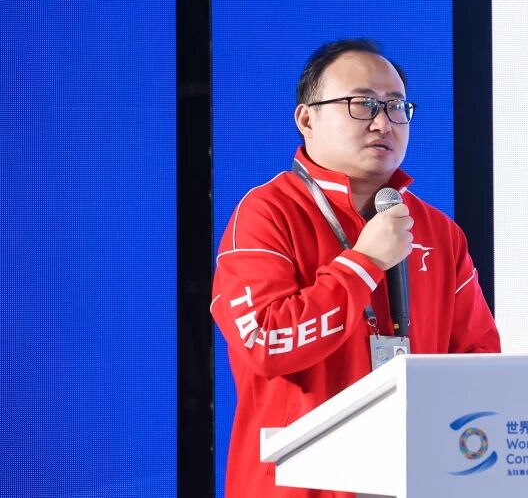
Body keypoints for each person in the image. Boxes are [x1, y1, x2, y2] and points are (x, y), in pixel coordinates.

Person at [210, 38, 501, 498]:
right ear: (307, 119)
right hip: (298, 485)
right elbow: (266, 343)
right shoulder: (267, 213)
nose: (383, 122)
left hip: (414, 478)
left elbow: (478, 360)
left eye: (396, 106)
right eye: (361, 104)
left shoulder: (439, 231)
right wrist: (364, 264)